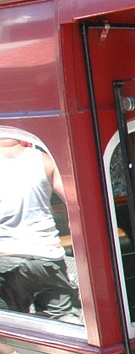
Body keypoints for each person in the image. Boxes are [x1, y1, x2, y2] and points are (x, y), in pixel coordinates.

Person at [0, 136, 82, 323]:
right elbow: (75, 200)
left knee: (10, 327)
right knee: (64, 322)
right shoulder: (44, 160)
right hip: (46, 258)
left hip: (6, 261)